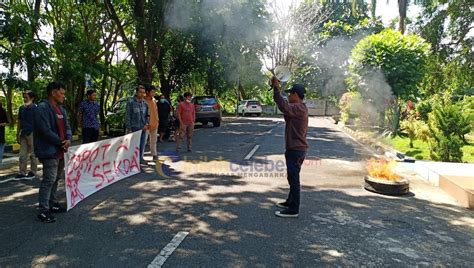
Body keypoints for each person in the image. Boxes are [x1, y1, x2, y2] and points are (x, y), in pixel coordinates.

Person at [34, 82, 72, 223]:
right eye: (61, 93)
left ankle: (52, 203)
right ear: (53, 93)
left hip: (61, 150)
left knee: (56, 178)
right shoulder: (42, 109)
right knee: (49, 179)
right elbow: (45, 131)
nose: (63, 96)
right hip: (49, 150)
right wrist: (61, 142)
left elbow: (67, 126)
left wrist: (68, 139)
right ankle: (43, 211)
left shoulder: (61, 109)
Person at [271, 77, 308, 218]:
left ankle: (294, 209)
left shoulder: (299, 108)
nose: (288, 96)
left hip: (296, 150)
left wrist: (276, 88)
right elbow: (285, 108)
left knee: (294, 178)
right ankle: (290, 201)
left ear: (296, 95)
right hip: (295, 149)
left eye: (290, 93)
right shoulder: (299, 108)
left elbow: (283, 106)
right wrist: (277, 92)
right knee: (291, 176)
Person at [16, 91, 38, 179]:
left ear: (32, 98)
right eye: (24, 97)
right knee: (22, 155)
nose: (25, 99)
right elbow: (19, 121)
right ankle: (22, 172)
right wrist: (17, 133)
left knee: (33, 154)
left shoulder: (36, 108)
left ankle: (33, 172)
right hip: (23, 133)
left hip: (33, 133)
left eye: (26, 97)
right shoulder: (21, 108)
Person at [125, 84, 149, 165]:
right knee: (133, 145)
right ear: (136, 92)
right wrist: (128, 128)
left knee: (142, 144)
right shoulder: (131, 102)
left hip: (143, 127)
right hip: (134, 127)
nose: (142, 94)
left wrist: (146, 124)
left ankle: (140, 159)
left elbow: (147, 115)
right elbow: (128, 115)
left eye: (143, 92)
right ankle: (132, 161)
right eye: (140, 92)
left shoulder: (145, 103)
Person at [144, 85, 159, 160]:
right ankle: (140, 156)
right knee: (143, 142)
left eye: (154, 92)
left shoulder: (154, 100)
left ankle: (154, 154)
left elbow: (155, 111)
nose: (153, 93)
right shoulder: (143, 101)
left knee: (154, 141)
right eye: (152, 92)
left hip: (154, 123)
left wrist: (157, 120)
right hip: (146, 125)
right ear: (147, 92)